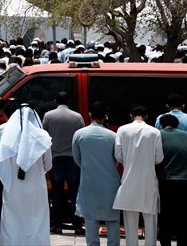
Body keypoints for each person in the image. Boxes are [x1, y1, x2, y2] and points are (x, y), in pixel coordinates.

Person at [0, 105, 53, 246]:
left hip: (13, 186)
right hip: (36, 186)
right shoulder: (43, 136)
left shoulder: (8, 137)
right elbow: (48, 164)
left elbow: (0, 163)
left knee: (13, 218)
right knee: (36, 217)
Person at [113, 105, 163, 246]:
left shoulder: (122, 130)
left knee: (130, 222)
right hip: (149, 181)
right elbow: (159, 158)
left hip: (128, 181)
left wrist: (129, 161)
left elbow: (118, 155)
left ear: (131, 115)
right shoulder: (155, 132)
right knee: (151, 221)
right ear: (146, 117)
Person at [72, 102, 120, 246]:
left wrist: (88, 167)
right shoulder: (113, 136)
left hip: (88, 181)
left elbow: (77, 158)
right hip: (110, 182)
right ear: (105, 117)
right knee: (112, 218)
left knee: (90, 218)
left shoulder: (79, 134)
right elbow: (117, 160)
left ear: (90, 114)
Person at [42, 91, 85, 234]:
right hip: (73, 159)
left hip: (56, 159)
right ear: (69, 101)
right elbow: (81, 137)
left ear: (55, 101)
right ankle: (78, 226)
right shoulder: (77, 117)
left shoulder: (48, 116)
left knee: (57, 193)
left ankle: (58, 225)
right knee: (75, 194)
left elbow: (44, 137)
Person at [154, 113, 187, 246]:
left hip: (165, 181)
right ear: (177, 125)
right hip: (185, 182)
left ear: (162, 124)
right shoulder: (186, 136)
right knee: (183, 216)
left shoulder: (158, 135)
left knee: (165, 216)